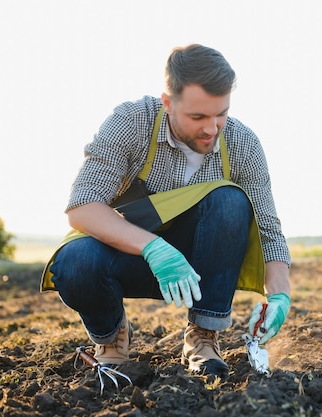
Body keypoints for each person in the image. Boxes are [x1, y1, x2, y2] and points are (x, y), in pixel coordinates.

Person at [40, 44, 291, 379]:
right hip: (131, 256)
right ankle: (112, 339)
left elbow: (268, 230)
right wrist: (154, 248)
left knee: (231, 201)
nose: (212, 129)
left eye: (221, 114)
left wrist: (280, 296)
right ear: (168, 103)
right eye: (198, 117)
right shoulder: (131, 123)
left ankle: (203, 338)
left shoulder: (243, 144)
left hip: (200, 267)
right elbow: (82, 207)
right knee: (74, 262)